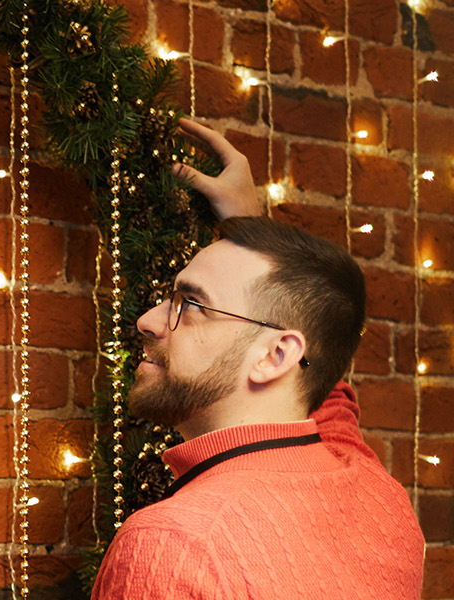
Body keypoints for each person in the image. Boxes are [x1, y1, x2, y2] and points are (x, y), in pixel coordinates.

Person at [89, 119, 424, 598]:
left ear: (278, 354)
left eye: (193, 304)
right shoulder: (380, 494)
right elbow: (320, 382)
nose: (147, 319)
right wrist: (253, 229)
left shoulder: (171, 545)